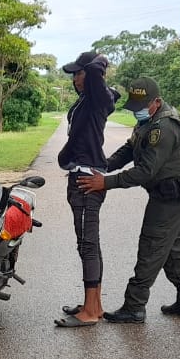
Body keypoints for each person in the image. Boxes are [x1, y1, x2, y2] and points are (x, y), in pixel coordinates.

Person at [77, 76, 180, 323]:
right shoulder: (148, 122)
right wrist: (103, 166)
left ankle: (134, 306)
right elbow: (129, 150)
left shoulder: (164, 128)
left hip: (173, 194)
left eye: (142, 106)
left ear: (156, 102)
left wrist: (105, 183)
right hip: (171, 191)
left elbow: (145, 171)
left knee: (152, 246)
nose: (137, 112)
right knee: (174, 248)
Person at [54, 50, 116, 328]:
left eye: (80, 73)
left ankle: (90, 312)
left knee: (88, 245)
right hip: (78, 175)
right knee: (87, 244)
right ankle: (95, 304)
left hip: (86, 180)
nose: (76, 78)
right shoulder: (85, 103)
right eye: (75, 74)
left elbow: (94, 76)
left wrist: (98, 61)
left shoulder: (98, 100)